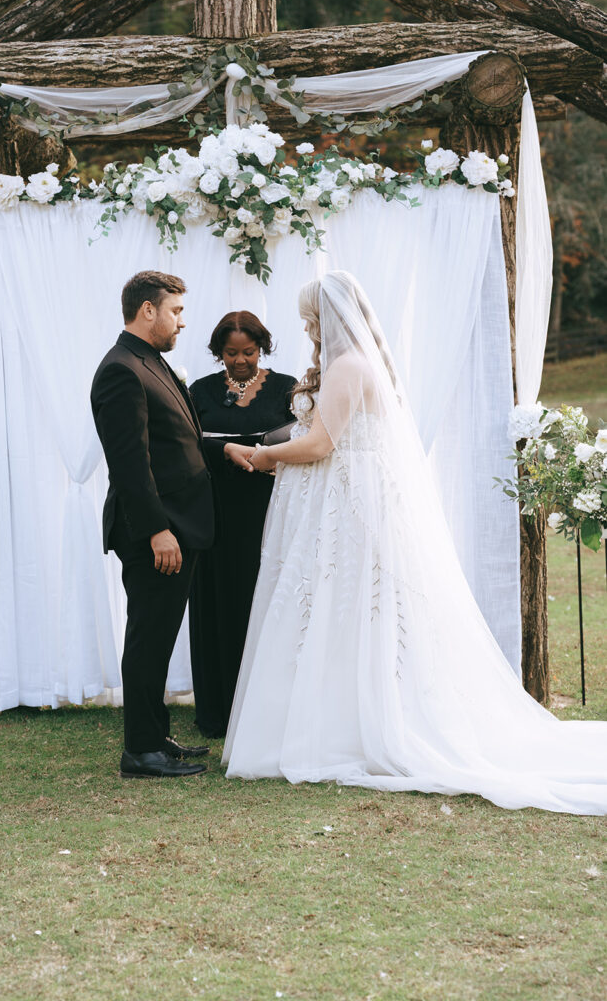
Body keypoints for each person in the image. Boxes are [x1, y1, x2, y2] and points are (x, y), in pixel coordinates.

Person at [222, 271, 607, 815]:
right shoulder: (348, 365)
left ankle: (351, 727)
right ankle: (335, 717)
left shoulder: (349, 366)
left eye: (311, 316)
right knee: (339, 607)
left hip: (348, 506)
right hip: (338, 501)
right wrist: (268, 442)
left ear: (328, 317)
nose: (307, 325)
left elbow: (322, 443)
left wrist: (260, 457)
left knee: (354, 603)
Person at [90, 271, 252, 779]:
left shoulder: (148, 362)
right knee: (148, 638)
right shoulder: (120, 370)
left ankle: (155, 737)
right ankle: (140, 752)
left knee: (158, 639)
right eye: (176, 311)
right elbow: (129, 463)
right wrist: (157, 530)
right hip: (158, 531)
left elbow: (178, 439)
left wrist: (223, 448)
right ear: (148, 311)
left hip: (180, 524)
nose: (182, 322)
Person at [189, 311, 296, 737]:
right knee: (219, 603)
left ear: (261, 348)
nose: (239, 361)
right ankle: (217, 709)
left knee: (265, 601)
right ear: (218, 352)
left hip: (270, 511)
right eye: (230, 353)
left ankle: (265, 709)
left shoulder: (287, 389)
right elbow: (186, 443)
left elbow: (307, 437)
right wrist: (223, 450)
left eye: (248, 352)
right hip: (216, 514)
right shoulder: (199, 391)